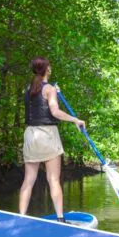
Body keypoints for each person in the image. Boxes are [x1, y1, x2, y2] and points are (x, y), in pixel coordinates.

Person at [19, 57, 86, 221]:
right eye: (50, 66)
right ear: (47, 69)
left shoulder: (28, 89)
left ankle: (21, 217)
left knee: (28, 180)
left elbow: (39, 97)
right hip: (47, 135)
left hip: (30, 135)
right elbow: (55, 112)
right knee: (53, 179)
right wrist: (75, 120)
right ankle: (60, 218)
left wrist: (54, 90)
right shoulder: (49, 89)